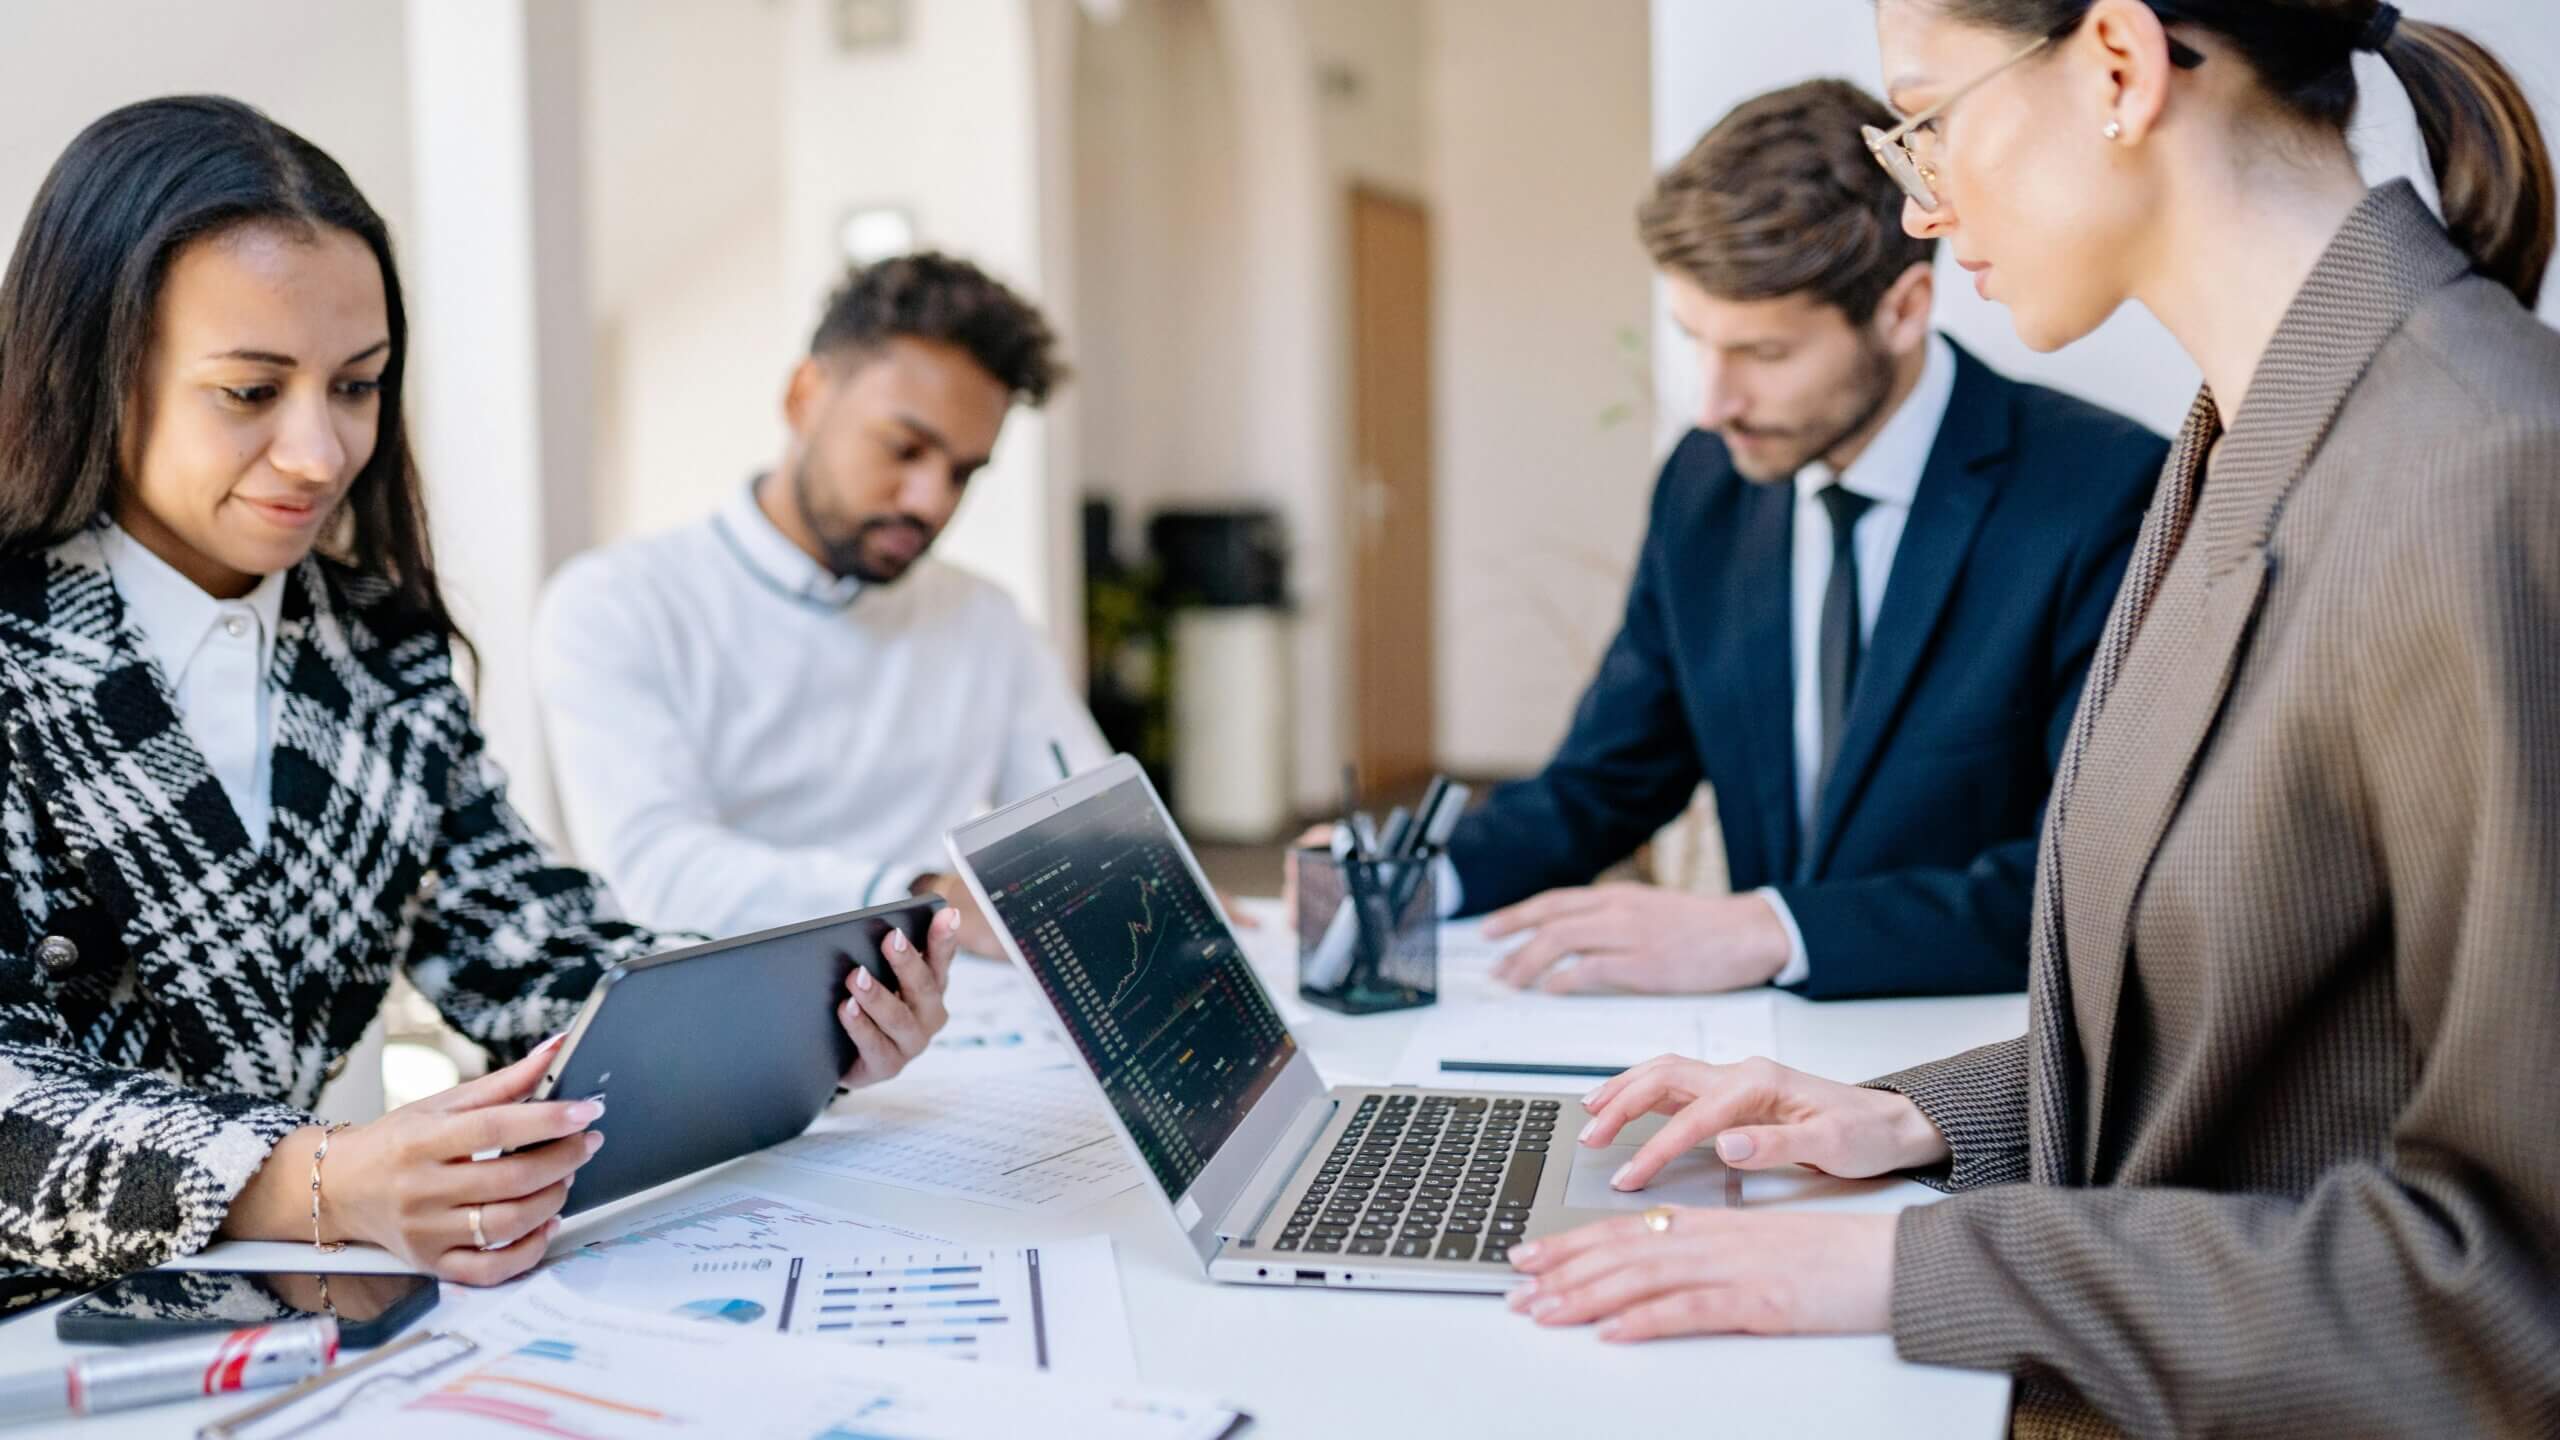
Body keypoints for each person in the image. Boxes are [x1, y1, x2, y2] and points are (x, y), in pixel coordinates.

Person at [1503, 3, 2560, 1434]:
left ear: (2119, 66)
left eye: (1928, 118)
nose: (1922, 205)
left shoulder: (2485, 470)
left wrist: (1915, 1257)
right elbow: (2245, 1047)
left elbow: (2513, 1289)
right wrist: (1924, 1120)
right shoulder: (2244, 439)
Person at [0, 97, 956, 1318]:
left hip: (282, 1320)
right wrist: (316, 1175)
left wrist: (801, 1029)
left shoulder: (377, 643)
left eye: (357, 386)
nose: (320, 452)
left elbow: (530, 951)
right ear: (94, 367)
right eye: (250, 392)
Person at [1446, 78, 2167, 998]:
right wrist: (1405, 879)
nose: (1714, 404)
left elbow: (2098, 882)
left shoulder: (2102, 492)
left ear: (1904, 310)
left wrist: (1772, 930)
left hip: (1981, 1059)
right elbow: (1605, 782)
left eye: (1766, 354)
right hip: (1760, 1057)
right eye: (1696, 341)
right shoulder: (1703, 485)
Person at [534, 254, 1106, 956]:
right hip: (719, 1028)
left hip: (952, 1018)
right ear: (805, 396)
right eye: (905, 448)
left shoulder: (985, 619)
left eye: (963, 472)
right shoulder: (619, 605)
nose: (932, 500)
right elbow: (660, 872)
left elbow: (1084, 829)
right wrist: (926, 893)